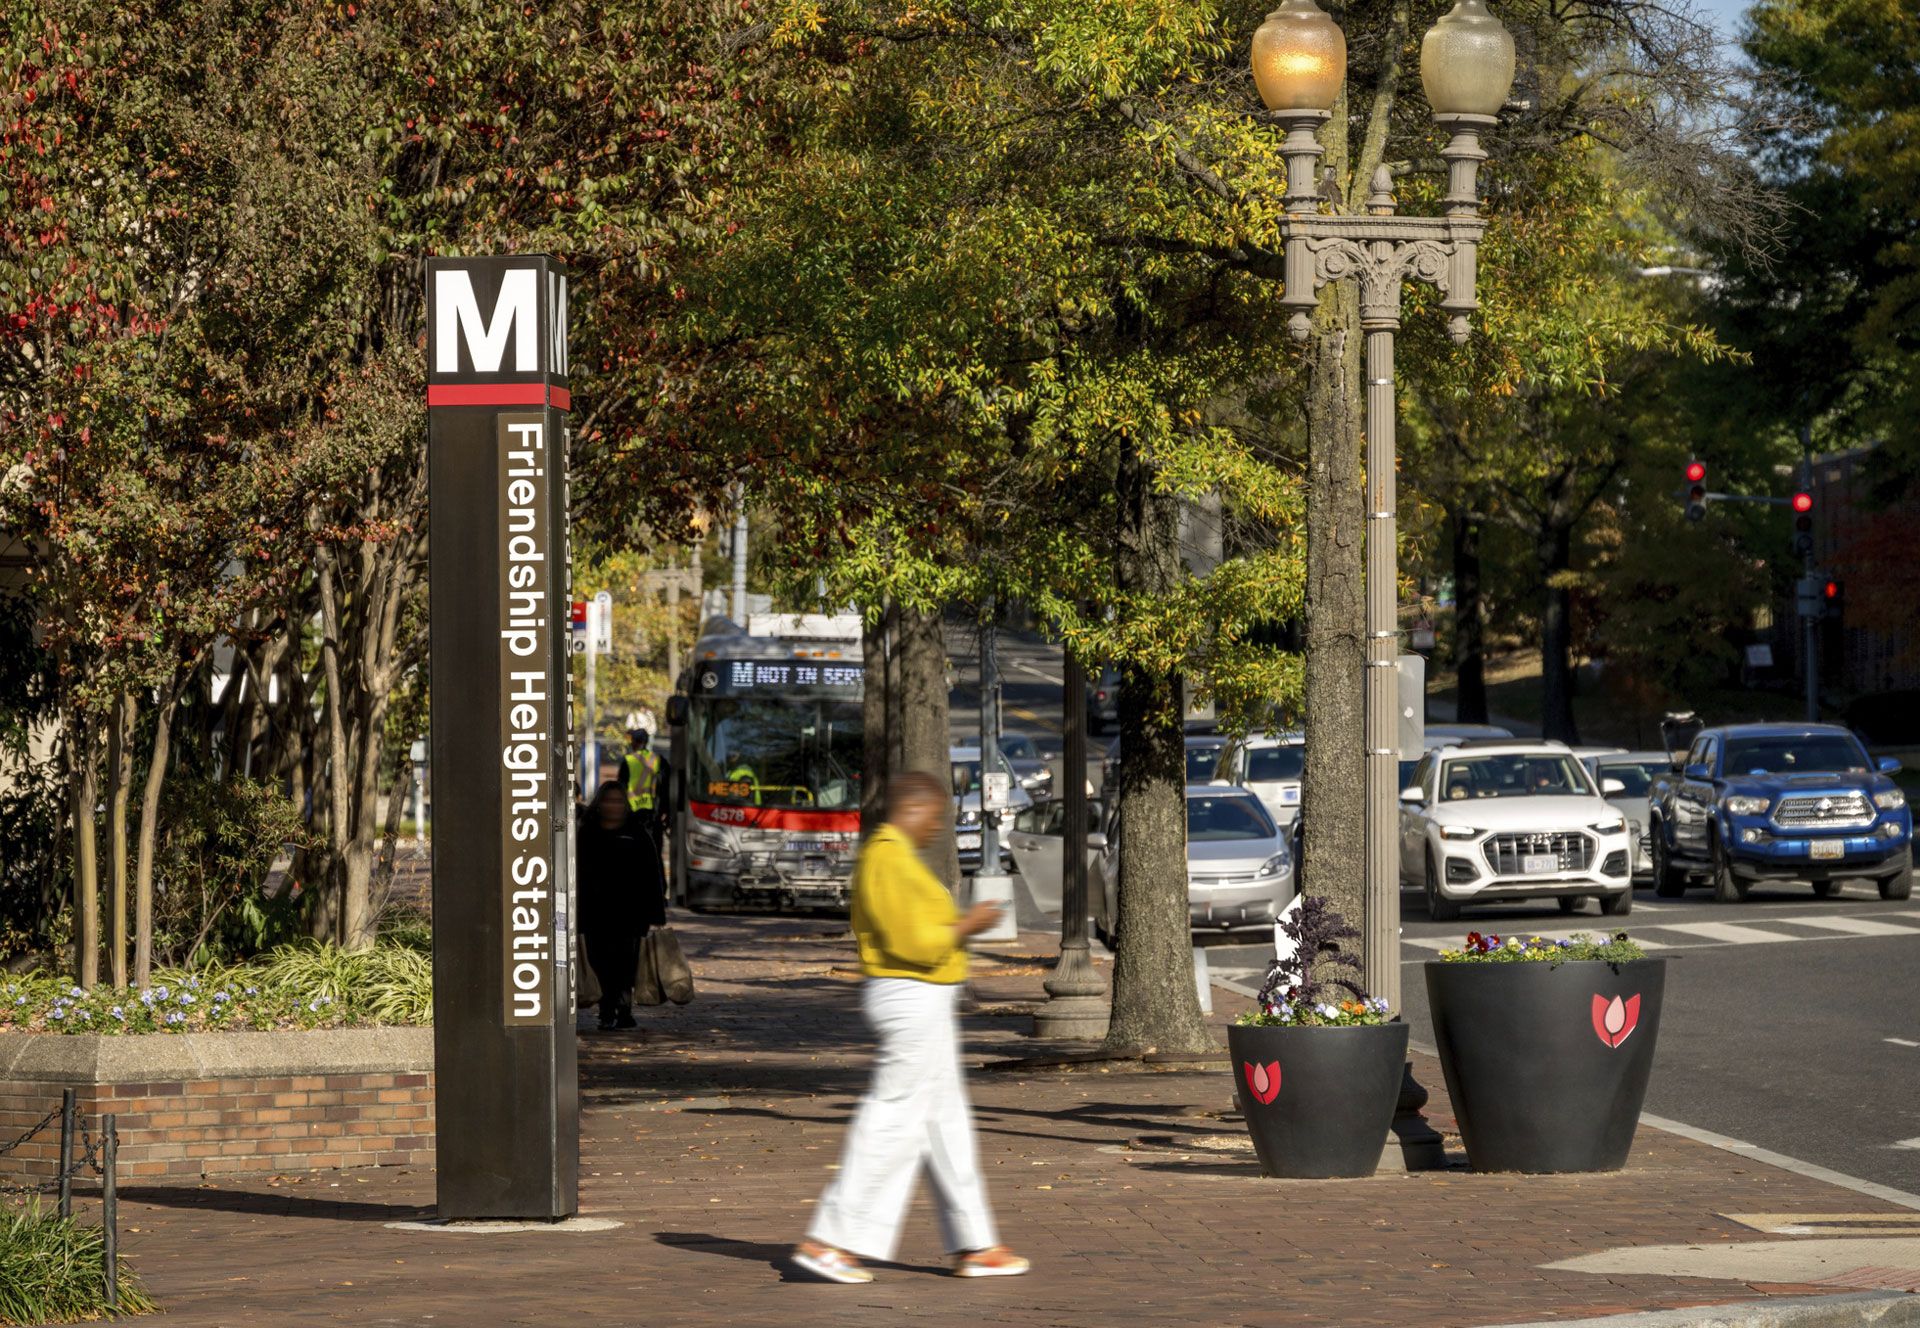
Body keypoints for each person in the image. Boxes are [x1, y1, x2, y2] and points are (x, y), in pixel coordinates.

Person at [792, 771, 1029, 1285]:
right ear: (915, 810)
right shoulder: (888, 858)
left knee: (946, 1123)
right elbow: (914, 942)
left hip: (922, 997)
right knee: (894, 1115)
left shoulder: (892, 856)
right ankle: (830, 1240)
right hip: (910, 994)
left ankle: (976, 1244)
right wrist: (969, 923)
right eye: (937, 817)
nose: (938, 828)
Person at [576, 781, 666, 1031]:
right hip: (595, 913)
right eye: (608, 801)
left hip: (630, 912)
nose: (613, 806)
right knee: (600, 961)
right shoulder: (587, 833)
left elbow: (651, 873)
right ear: (599, 804)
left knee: (625, 963)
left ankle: (623, 1010)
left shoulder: (637, 833)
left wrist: (655, 913)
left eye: (618, 801)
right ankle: (607, 1010)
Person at [623, 720, 662, 818]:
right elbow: (663, 785)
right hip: (651, 808)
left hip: (631, 808)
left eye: (632, 740)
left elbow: (621, 786)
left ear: (635, 742)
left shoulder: (628, 760)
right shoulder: (656, 759)